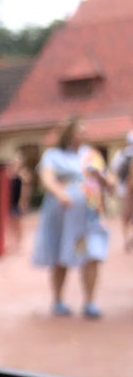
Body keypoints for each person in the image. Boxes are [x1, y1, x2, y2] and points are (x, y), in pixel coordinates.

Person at [31, 116, 110, 318]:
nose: (84, 134)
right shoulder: (53, 155)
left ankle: (90, 302)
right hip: (63, 217)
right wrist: (60, 193)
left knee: (91, 253)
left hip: (89, 215)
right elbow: (47, 178)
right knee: (61, 254)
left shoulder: (90, 155)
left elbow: (109, 180)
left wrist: (104, 179)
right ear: (69, 134)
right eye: (79, 130)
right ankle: (58, 300)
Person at [108, 130, 133, 251]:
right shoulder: (124, 155)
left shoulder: (122, 155)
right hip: (127, 190)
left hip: (123, 190)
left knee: (125, 217)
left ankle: (127, 240)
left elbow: (113, 171)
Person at [5, 154, 31, 253]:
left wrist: (23, 201)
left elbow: (25, 189)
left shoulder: (23, 175)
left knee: (18, 223)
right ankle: (11, 243)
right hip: (9, 202)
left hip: (17, 202)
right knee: (10, 224)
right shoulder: (8, 174)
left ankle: (19, 243)